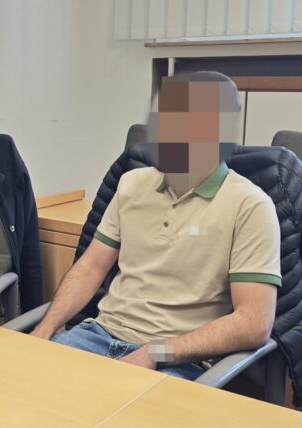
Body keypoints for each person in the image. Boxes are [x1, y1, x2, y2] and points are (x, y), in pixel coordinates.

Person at [31, 71, 280, 380]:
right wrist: (45, 328)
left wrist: (156, 352)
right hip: (96, 335)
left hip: (177, 359)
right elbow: (91, 267)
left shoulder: (250, 205)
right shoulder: (131, 183)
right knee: (23, 385)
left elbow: (254, 322)